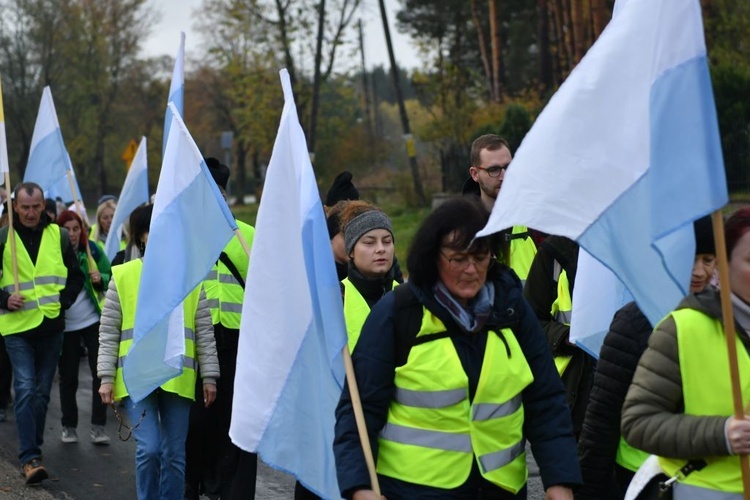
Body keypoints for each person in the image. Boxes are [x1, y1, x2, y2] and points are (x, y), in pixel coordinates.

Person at [334, 196, 580, 499]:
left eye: (481, 256)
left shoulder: (511, 310)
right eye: (458, 259)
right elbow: (359, 409)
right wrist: (360, 488)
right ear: (433, 257)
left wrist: (560, 481)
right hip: (413, 492)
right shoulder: (399, 312)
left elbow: (546, 400)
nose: (471, 269)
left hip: (500, 490)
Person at [577, 216, 717, 498]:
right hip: (642, 480)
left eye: (708, 259)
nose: (698, 271)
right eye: (689, 258)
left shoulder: (728, 321)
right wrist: (588, 490)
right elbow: (602, 417)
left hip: (710, 480)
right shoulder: (633, 322)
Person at [621, 208, 750, 498]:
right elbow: (638, 423)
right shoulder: (682, 328)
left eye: (706, 260)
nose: (699, 269)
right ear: (725, 266)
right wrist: (723, 434)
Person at [97, 205, 219, 500]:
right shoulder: (123, 276)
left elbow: (203, 330)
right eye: (155, 229)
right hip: (138, 376)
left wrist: (210, 376)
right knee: (149, 449)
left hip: (178, 376)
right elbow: (109, 330)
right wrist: (105, 377)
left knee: (175, 453)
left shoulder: (190, 279)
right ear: (142, 236)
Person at [0, 182, 84, 484]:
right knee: (24, 389)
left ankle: (32, 450)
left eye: (36, 207)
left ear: (43, 206)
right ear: (15, 206)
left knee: (41, 395)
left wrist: (64, 301)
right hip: (17, 327)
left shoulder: (58, 236)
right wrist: (3, 299)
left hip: (51, 327)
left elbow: (76, 277)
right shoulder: (3, 238)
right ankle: (30, 457)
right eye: (25, 207)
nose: (31, 213)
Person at [185, 157, 257, 500]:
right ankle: (192, 480)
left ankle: (224, 487)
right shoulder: (183, 235)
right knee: (197, 419)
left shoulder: (247, 235)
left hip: (238, 340)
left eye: (219, 193)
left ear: (226, 196)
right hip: (194, 340)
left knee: (231, 418)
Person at [523, 236, 595, 440]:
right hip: (570, 398)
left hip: (619, 396)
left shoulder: (633, 248)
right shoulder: (555, 252)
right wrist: (564, 337)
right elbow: (528, 324)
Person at [56, 210, 112, 445]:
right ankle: (69, 426)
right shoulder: (54, 251)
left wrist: (102, 278)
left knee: (100, 373)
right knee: (68, 377)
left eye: (76, 228)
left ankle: (98, 427)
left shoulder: (93, 250)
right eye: (67, 229)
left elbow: (111, 273)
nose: (72, 233)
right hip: (66, 324)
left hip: (92, 321)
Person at [462, 134, 538, 285]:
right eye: (494, 170)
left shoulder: (536, 221)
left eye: (509, 167)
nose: (504, 176)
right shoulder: (460, 228)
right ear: (475, 174)